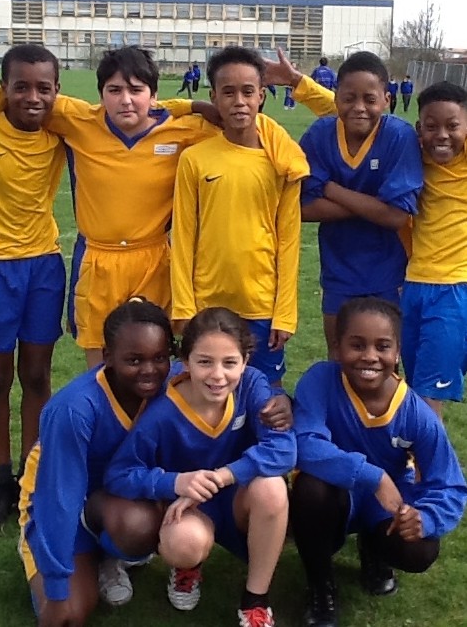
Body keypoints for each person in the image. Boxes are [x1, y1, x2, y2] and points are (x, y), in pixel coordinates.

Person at [0, 46, 222, 370]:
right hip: (97, 260)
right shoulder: (78, 120)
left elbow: (241, 129)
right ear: (101, 95)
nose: (125, 100)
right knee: (100, 370)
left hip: (154, 260)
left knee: (153, 363)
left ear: (154, 95)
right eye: (114, 90)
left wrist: (190, 106)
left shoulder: (186, 130)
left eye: (136, 90)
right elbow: (6, 94)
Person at [103, 307, 297, 627]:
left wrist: (222, 477)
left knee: (273, 487)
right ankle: (187, 567)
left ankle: (256, 599)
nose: (217, 375)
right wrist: (174, 482)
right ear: (185, 361)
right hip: (190, 508)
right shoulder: (162, 411)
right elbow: (119, 473)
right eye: (205, 362)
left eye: (229, 362)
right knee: (183, 543)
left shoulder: (252, 386)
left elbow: (284, 449)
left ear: (245, 361)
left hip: (238, 500)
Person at [290, 297, 467, 627]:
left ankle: (374, 547)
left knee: (420, 549)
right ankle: (320, 586)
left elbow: (449, 484)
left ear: (397, 352)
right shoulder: (320, 380)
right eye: (357, 345)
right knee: (310, 488)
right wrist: (373, 476)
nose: (370, 356)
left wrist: (426, 519)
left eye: (382, 346)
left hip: (385, 503)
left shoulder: (416, 414)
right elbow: (304, 443)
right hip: (335, 495)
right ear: (338, 347)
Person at [18, 298, 178, 626]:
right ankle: (67, 557)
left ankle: (109, 557)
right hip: (56, 507)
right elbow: (58, 499)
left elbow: (230, 375)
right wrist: (57, 589)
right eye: (134, 360)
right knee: (68, 615)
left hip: (115, 504)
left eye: (160, 357)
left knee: (137, 524)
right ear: (107, 357)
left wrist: (276, 402)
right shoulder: (74, 408)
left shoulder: (174, 386)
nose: (150, 370)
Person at [262, 49, 423, 358]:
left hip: (390, 270)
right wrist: (375, 204)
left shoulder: (399, 137)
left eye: (369, 99)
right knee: (339, 358)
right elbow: (302, 208)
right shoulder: (321, 134)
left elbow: (395, 217)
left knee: (383, 362)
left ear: (386, 99)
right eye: (349, 98)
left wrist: (330, 188)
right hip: (339, 269)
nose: (359, 107)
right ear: (336, 98)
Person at [0, 44, 66, 532]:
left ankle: (30, 472)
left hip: (44, 267)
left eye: (43, 88)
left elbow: (118, 115)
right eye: (20, 87)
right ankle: (2, 480)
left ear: (56, 91)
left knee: (37, 376)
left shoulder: (59, 133)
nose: (32, 97)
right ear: (2, 88)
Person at [170, 46, 309, 386]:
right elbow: (183, 236)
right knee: (208, 391)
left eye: (248, 92)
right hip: (208, 304)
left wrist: (285, 313)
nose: (239, 102)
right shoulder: (195, 159)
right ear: (214, 97)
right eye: (228, 92)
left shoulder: (282, 161)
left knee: (266, 395)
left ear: (261, 95)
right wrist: (184, 307)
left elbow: (289, 240)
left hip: (262, 305)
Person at [400, 82, 467, 418]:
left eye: (452, 126)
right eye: (431, 126)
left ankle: (432, 455)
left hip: (453, 290)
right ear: (418, 129)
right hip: (412, 287)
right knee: (414, 391)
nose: (442, 135)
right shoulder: (413, 156)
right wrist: (299, 85)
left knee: (428, 399)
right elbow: (359, 113)